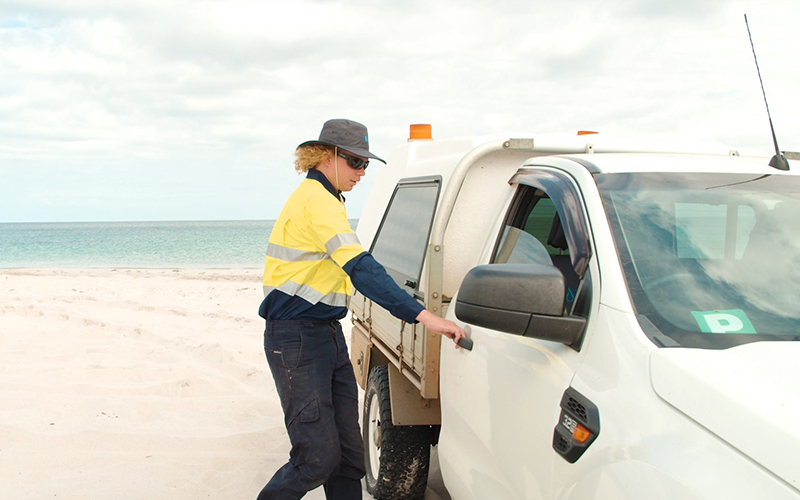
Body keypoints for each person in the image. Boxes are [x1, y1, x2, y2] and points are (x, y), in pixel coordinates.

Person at [257, 119, 466, 500]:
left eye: (366, 164)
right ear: (326, 157)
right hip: (295, 339)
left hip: (325, 334)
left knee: (350, 459)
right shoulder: (316, 201)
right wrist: (423, 315)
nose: (362, 172)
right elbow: (361, 268)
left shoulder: (330, 199)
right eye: (355, 162)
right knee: (315, 459)